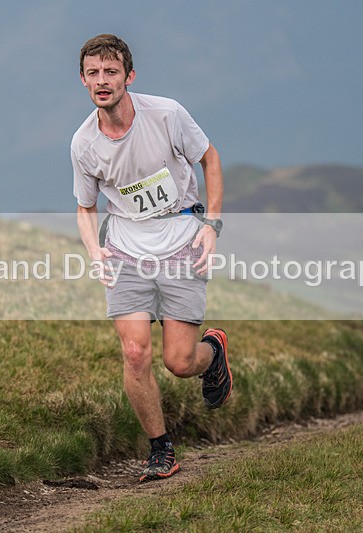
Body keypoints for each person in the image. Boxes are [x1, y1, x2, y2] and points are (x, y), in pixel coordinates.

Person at [71, 34, 231, 482]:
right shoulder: (83, 144)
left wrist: (211, 226)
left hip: (182, 238)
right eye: (93, 73)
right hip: (125, 248)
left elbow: (210, 158)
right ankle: (161, 450)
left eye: (111, 72)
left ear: (129, 76)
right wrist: (93, 250)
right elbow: (85, 207)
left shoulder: (166, 113)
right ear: (82, 80)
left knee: (179, 363)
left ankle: (213, 351)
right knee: (135, 352)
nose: (102, 81)